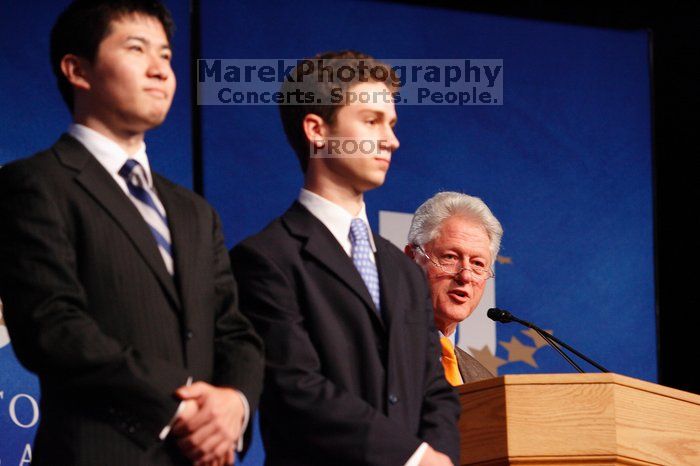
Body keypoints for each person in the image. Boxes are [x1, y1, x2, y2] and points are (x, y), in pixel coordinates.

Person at [0, 1, 264, 465]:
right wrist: (180, 405)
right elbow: (52, 325)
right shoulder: (37, 183)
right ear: (77, 70)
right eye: (136, 49)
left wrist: (234, 406)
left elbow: (234, 331)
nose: (160, 70)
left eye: (165, 55)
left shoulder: (195, 212)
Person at [230, 51, 460, 466]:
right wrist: (413, 457)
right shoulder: (266, 258)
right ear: (317, 129)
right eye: (371, 121)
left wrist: (439, 456)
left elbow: (434, 389)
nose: (392, 140)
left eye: (391, 124)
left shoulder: (405, 271)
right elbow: (295, 387)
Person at [405, 192, 503, 385]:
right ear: (411, 259)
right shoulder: (372, 348)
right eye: (450, 257)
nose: (465, 276)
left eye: (477, 264)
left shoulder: (483, 380)